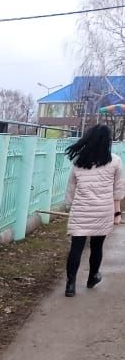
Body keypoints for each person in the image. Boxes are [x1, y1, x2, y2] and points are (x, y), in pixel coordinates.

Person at [64, 123, 124, 297]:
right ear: (108, 141)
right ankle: (92, 277)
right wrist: (117, 213)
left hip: (81, 210)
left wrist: (69, 205)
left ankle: (70, 285)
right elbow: (118, 189)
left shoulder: (79, 162)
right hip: (102, 211)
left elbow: (71, 188)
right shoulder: (115, 161)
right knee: (97, 247)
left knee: (76, 247)